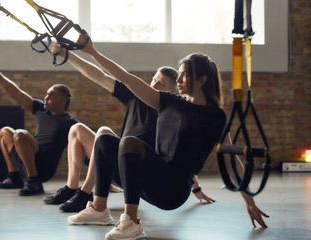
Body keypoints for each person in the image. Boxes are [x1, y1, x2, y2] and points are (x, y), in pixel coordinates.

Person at [66, 33, 269, 239]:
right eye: (179, 75)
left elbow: (231, 161)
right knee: (104, 140)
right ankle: (99, 210)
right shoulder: (169, 101)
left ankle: (131, 222)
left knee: (129, 142)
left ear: (202, 79)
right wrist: (92, 52)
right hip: (152, 179)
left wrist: (250, 202)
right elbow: (127, 78)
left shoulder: (216, 116)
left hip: (174, 189)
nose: (179, 80)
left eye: (184, 75)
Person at [44, 43, 215, 212]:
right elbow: (99, 76)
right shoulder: (135, 97)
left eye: (160, 84)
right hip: (116, 162)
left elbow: (181, 157)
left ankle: (85, 194)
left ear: (171, 91)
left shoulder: (169, 111)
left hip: (138, 172)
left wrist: (196, 188)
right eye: (154, 80)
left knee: (104, 131)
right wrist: (69, 55)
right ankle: (72, 188)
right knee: (78, 129)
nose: (153, 85)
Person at [0, 65, 79, 196]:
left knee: (20, 134)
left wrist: (105, 182)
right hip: (28, 159)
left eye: (50, 96)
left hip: (44, 168)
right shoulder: (42, 109)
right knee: (5, 132)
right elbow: (16, 92)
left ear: (62, 101)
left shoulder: (70, 123)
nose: (46, 98)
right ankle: (14, 177)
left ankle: (34, 182)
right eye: (46, 94)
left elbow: (88, 151)